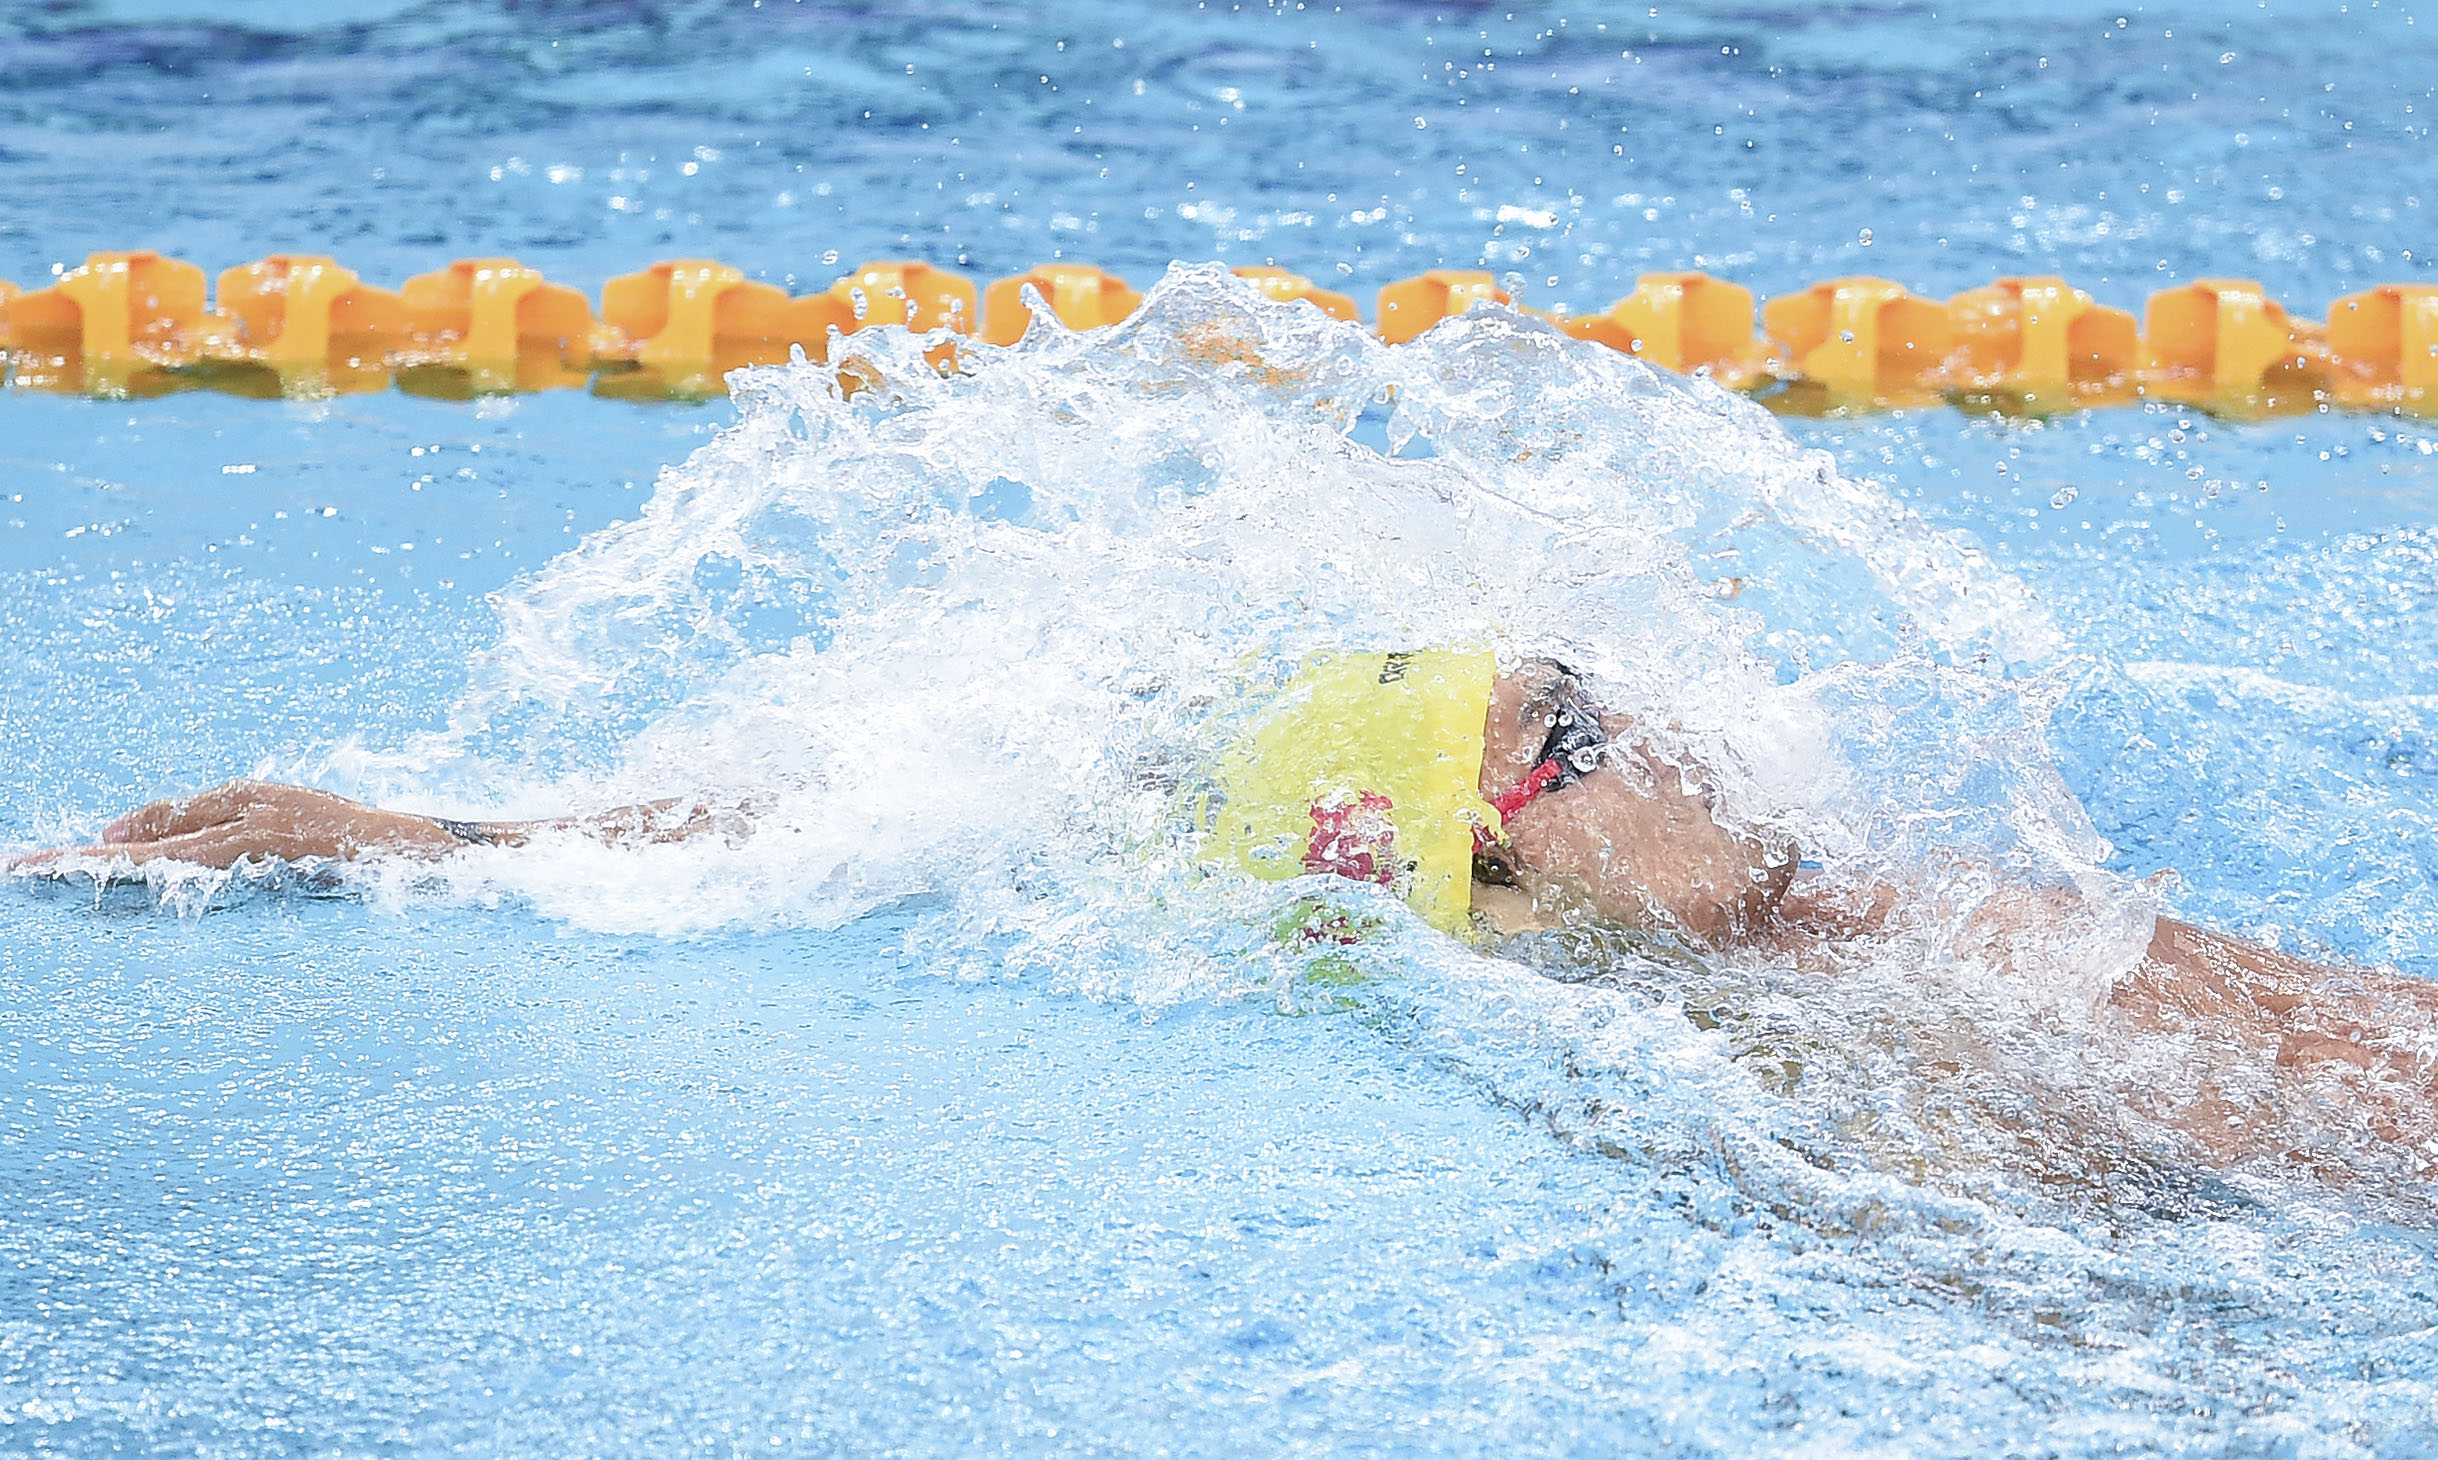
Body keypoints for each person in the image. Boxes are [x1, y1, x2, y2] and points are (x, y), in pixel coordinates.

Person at [13, 648, 2437, 1169]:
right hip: (1421, 762)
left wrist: (423, 838)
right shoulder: (981, 797)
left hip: (1414, 765)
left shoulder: (948, 800)